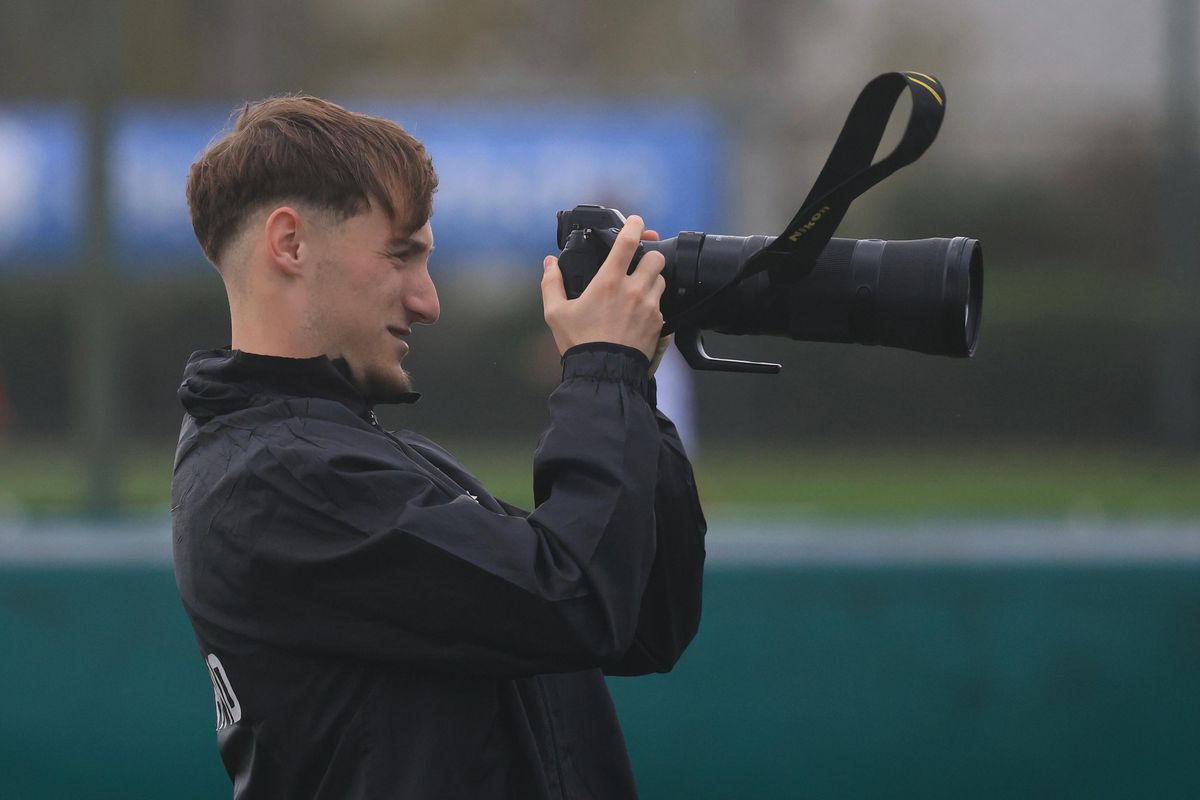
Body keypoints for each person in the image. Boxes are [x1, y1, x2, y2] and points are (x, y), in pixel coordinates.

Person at [171, 95, 706, 799]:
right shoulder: (279, 478)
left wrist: (630, 388)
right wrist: (604, 366)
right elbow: (575, 595)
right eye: (402, 256)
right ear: (290, 244)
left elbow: (639, 620)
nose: (427, 300)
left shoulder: (342, 457)